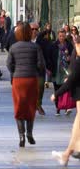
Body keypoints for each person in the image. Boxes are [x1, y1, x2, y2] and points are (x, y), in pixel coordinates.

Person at [7, 23, 45, 148]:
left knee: (19, 107)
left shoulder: (13, 47)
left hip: (18, 80)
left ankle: (21, 135)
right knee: (31, 106)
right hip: (31, 79)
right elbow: (41, 65)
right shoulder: (35, 47)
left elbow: (9, 64)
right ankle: (29, 133)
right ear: (29, 33)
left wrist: (15, 71)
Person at [51, 35, 80, 166]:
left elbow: (73, 78)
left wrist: (57, 94)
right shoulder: (76, 55)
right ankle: (69, 153)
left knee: (77, 126)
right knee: (77, 126)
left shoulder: (78, 58)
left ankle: (68, 153)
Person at [51, 29, 74, 116]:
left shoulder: (69, 45)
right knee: (57, 89)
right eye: (60, 36)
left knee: (66, 89)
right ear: (58, 36)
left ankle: (66, 107)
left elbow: (73, 56)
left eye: (63, 36)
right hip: (56, 70)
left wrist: (69, 57)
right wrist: (49, 68)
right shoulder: (54, 45)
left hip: (66, 70)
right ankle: (58, 108)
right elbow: (50, 57)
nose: (62, 38)